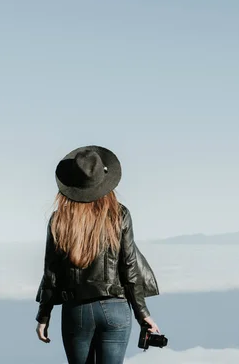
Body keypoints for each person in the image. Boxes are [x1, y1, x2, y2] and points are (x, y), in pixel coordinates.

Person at [34, 145, 160, 363]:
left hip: (76, 311)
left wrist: (43, 316)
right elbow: (129, 267)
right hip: (116, 309)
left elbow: (51, 273)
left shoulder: (59, 220)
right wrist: (143, 314)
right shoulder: (119, 215)